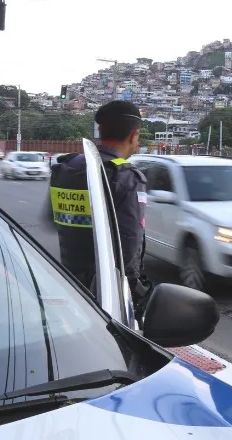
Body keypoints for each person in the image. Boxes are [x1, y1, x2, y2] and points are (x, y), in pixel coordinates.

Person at [47, 100, 152, 324]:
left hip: (71, 282)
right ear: (134, 135)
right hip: (109, 293)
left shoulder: (66, 168)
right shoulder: (126, 177)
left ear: (100, 130)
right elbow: (129, 246)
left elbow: (53, 219)